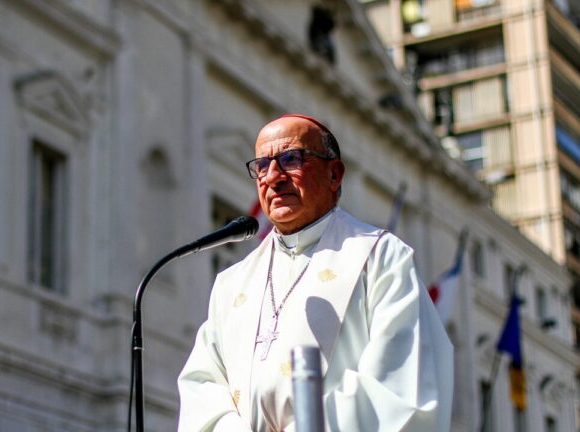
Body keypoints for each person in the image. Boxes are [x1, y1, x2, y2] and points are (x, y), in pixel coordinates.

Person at [177, 114, 453, 431]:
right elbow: (203, 387)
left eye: (290, 159)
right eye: (262, 166)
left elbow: (400, 381)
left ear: (334, 174)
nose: (273, 177)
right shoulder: (232, 283)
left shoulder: (380, 256)